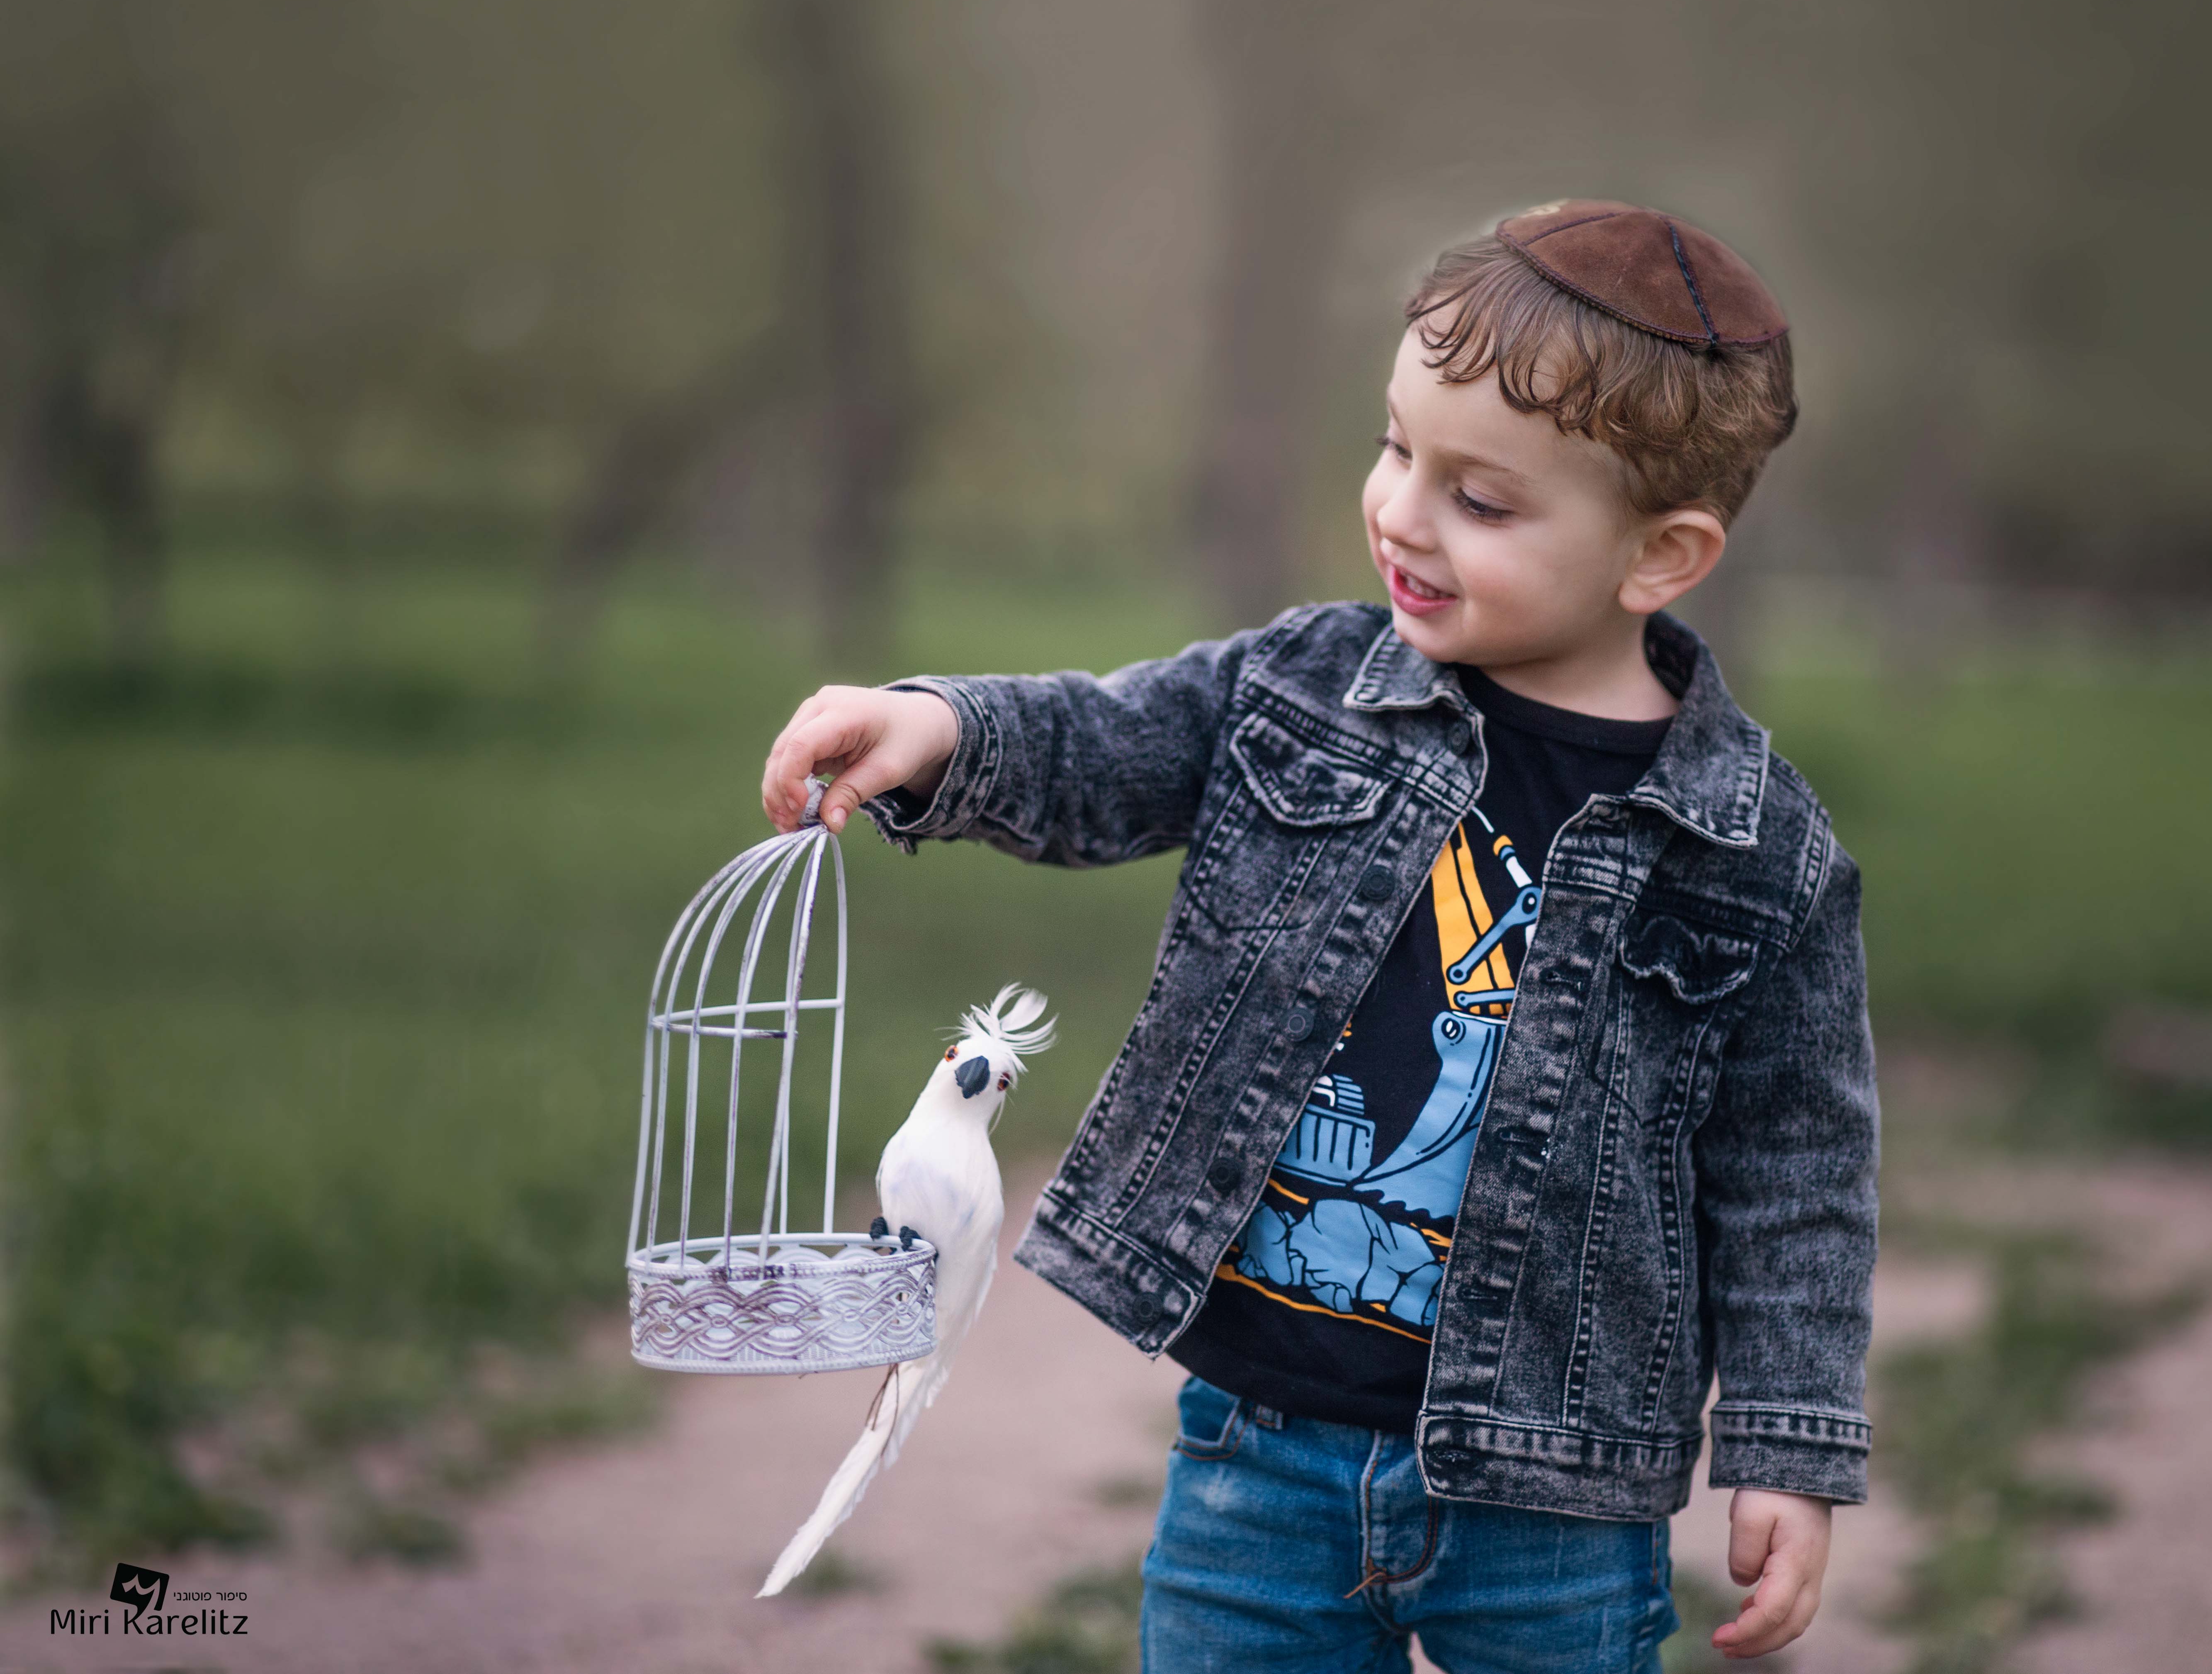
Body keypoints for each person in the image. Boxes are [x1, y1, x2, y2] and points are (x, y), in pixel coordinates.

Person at [761, 199, 1876, 1672]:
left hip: (1556, 1500)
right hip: (1258, 1452)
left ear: (1661, 554)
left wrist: (1789, 1447)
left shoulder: (1757, 847)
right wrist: (942, 726)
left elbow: (1797, 1168)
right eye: (1396, 447)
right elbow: (1110, 746)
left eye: (1483, 500)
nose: (1405, 512)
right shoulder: (1309, 684)